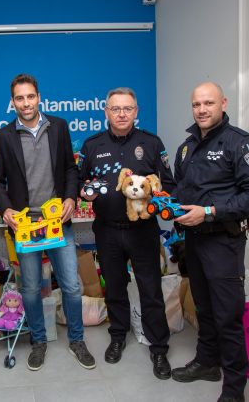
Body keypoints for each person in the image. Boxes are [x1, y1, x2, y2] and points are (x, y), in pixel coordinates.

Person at [171, 82, 249, 402]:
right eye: (196, 104)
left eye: (208, 103)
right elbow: (182, 190)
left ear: (223, 103)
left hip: (224, 242)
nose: (201, 109)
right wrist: (169, 205)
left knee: (228, 314)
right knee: (204, 307)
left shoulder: (241, 144)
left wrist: (210, 212)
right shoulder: (187, 147)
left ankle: (234, 390)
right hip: (194, 241)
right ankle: (207, 362)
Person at [0, 73, 96, 371]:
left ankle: (77, 340)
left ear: (39, 97)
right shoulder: (3, 136)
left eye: (30, 96)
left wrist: (71, 198)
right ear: (12, 102)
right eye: (19, 98)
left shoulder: (58, 126)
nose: (26, 103)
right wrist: (6, 210)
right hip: (25, 226)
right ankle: (38, 341)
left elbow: (70, 169)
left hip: (57, 221)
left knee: (71, 286)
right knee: (31, 287)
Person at [78, 87, 174, 379]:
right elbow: (80, 183)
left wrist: (154, 204)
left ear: (136, 111)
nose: (121, 114)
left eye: (127, 108)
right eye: (115, 108)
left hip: (143, 231)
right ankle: (117, 336)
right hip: (107, 231)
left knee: (151, 290)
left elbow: (168, 185)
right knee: (115, 288)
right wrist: (84, 193)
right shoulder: (92, 145)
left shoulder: (152, 143)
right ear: (105, 111)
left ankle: (159, 348)